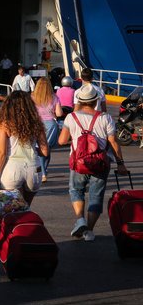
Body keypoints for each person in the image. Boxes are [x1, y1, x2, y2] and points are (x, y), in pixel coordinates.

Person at [58, 84, 128, 242]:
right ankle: (88, 231)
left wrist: (76, 137)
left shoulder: (71, 117)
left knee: (76, 191)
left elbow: (61, 141)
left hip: (78, 163)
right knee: (96, 197)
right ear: (96, 100)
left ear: (80, 101)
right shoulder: (106, 118)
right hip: (100, 164)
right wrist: (120, 163)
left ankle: (80, 220)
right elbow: (114, 142)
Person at [0, 91, 48, 204]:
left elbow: (1, 153)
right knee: (26, 207)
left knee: (14, 210)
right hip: (33, 169)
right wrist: (32, 150)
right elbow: (45, 151)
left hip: (12, 169)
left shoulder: (4, 124)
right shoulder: (37, 123)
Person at [31, 77, 63, 183]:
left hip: (37, 125)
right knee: (47, 149)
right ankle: (45, 170)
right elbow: (59, 114)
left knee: (40, 149)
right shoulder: (54, 97)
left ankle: (43, 173)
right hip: (51, 125)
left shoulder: (32, 97)